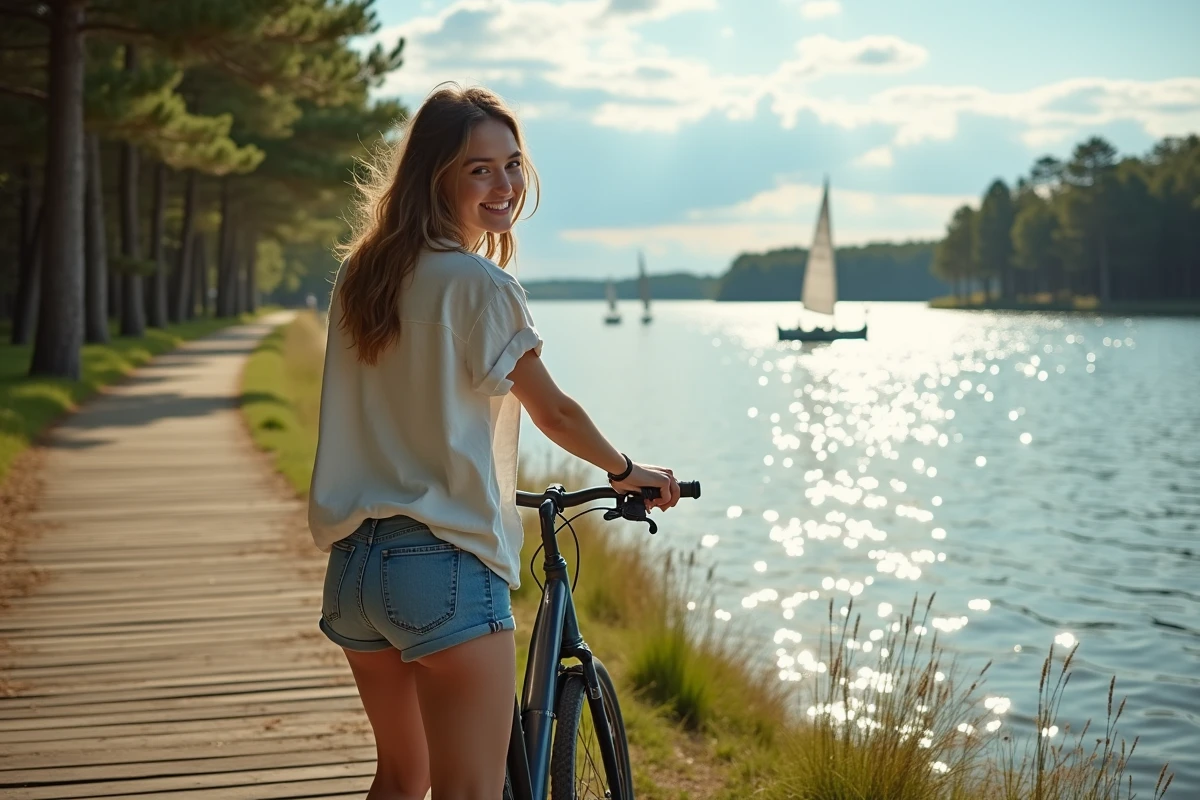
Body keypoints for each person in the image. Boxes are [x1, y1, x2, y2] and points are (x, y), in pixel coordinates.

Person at [307, 83, 681, 800]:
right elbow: (555, 414)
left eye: (512, 164)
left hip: (355, 568)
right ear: (434, 175)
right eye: (479, 168)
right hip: (441, 566)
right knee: (469, 791)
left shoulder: (362, 274)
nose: (505, 184)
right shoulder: (479, 283)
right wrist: (626, 469)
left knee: (400, 777)